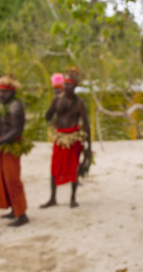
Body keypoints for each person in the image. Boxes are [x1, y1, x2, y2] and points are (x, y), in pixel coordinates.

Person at [0, 75, 30, 227]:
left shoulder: (15, 106)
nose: (0, 95)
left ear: (12, 93)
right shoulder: (4, 106)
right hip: (4, 146)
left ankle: (22, 214)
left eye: (4, 92)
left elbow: (15, 131)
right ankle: (14, 209)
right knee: (3, 178)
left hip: (12, 147)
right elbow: (1, 128)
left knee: (12, 179)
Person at [40, 67, 92, 209]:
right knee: (54, 168)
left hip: (74, 139)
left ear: (75, 86)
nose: (67, 87)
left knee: (74, 168)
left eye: (70, 84)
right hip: (60, 138)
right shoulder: (57, 100)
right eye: (66, 84)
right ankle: (52, 198)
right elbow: (47, 116)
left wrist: (89, 148)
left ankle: (73, 198)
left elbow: (86, 125)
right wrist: (54, 124)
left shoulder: (79, 103)